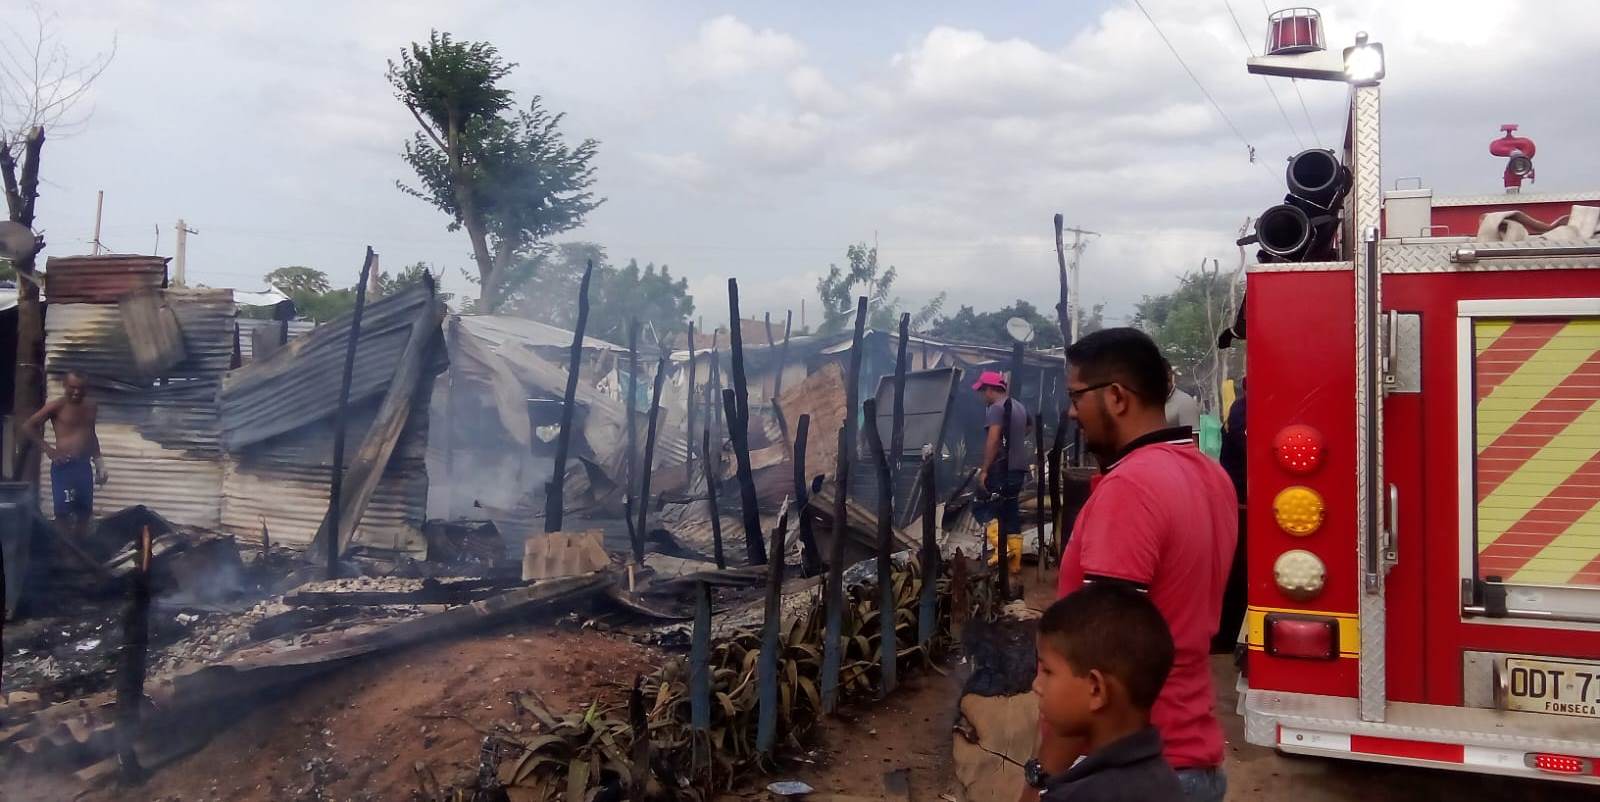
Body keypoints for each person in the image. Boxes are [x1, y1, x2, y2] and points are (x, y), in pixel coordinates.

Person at [1037, 328, 1236, 802]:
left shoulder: (1131, 489)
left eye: (1075, 396)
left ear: (1117, 397)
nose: (1070, 412)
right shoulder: (1210, 476)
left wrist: (1040, 778)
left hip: (1127, 772)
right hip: (1192, 758)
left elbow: (1097, 663)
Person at [1028, 583, 1184, 802]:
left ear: (1096, 689)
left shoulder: (1076, 797)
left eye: (1047, 671)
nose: (1037, 685)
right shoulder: (1165, 781)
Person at [24, 371, 108, 539]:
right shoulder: (57, 406)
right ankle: (64, 553)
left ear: (86, 389)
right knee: (63, 514)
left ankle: (79, 554)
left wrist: (99, 463)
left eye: (81, 388)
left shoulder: (91, 406)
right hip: (64, 468)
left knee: (84, 513)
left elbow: (91, 434)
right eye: (72, 387)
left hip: (83, 467)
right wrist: (49, 450)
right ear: (64, 385)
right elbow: (28, 426)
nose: (76, 392)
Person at [972, 370, 1030, 564]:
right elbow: (1028, 428)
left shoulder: (996, 408)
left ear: (989, 390)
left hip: (1003, 468)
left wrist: (985, 469)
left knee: (981, 506)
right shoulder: (1019, 406)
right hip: (1020, 468)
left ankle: (1003, 549)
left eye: (982, 391)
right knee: (1010, 510)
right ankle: (1014, 568)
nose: (981, 396)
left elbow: (993, 439)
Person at [1215, 377, 1248, 653]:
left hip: (1246, 503)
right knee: (1235, 572)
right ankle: (1226, 636)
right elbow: (1246, 446)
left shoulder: (1242, 408)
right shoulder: (1242, 409)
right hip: (1239, 504)